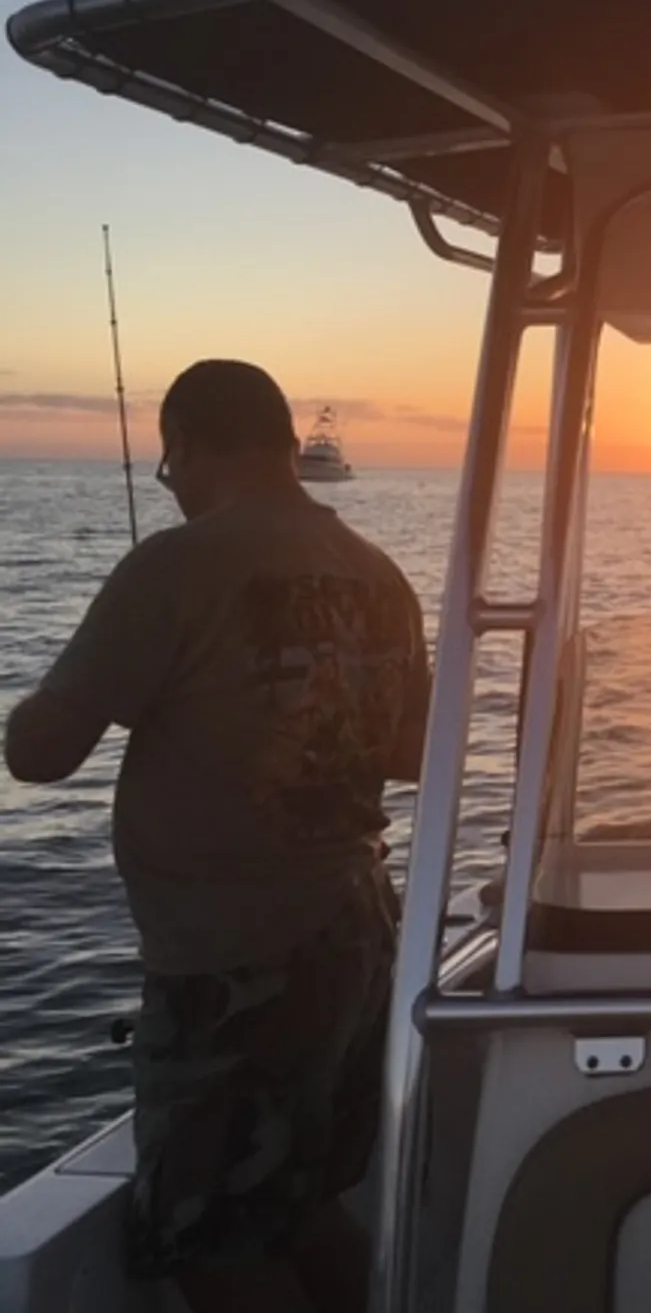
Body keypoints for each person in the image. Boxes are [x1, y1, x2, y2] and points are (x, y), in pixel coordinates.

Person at [4, 361, 430, 1313]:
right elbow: (410, 752)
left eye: (170, 467)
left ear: (184, 445)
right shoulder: (378, 573)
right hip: (358, 936)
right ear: (287, 445)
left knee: (209, 1246)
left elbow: (39, 755)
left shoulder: (174, 566)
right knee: (303, 1206)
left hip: (234, 963)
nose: (173, 485)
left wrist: (50, 698)